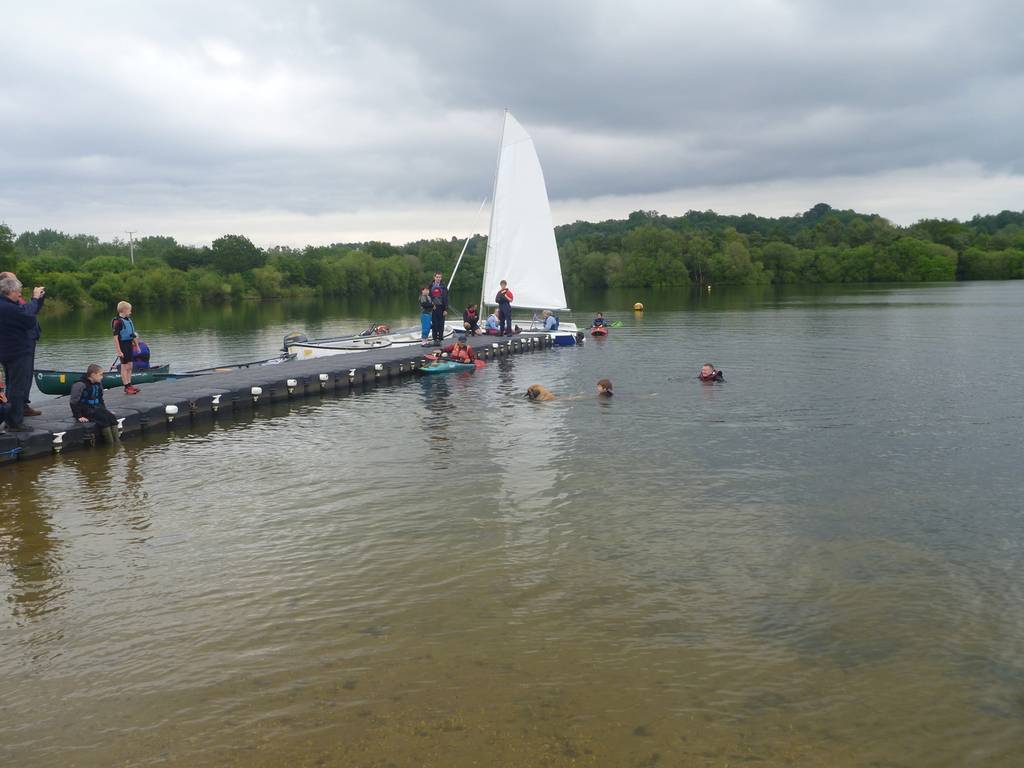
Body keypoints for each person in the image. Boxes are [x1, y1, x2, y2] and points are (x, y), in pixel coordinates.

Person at [0, 274, 45, 432]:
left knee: (11, 386)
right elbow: (29, 319)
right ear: (10, 291)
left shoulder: (4, 305)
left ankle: (11, 418)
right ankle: (15, 422)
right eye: (18, 291)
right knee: (17, 387)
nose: (19, 294)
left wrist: (37, 301)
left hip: (6, 352)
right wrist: (35, 299)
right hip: (18, 352)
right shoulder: (10, 308)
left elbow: (27, 313)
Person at [70, 364, 119, 436]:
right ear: (93, 375)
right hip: (85, 410)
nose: (102, 377)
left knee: (112, 418)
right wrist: (79, 416)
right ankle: (110, 442)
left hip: (96, 408)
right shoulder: (80, 384)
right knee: (103, 419)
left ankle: (116, 442)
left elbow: (100, 399)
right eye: (100, 375)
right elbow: (73, 402)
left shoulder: (98, 384)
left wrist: (105, 410)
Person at [112, 301, 142, 394]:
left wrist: (137, 346)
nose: (130, 312)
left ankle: (130, 384)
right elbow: (115, 338)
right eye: (129, 310)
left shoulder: (128, 320)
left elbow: (132, 335)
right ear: (124, 310)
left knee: (130, 366)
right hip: (122, 345)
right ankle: (126, 386)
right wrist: (119, 351)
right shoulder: (118, 322)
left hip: (129, 344)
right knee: (124, 366)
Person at [426, 272, 448, 347]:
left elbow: (446, 299)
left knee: (441, 324)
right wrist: (431, 305)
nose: (438, 279)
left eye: (439, 277)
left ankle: (440, 339)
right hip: (434, 307)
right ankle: (435, 339)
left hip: (442, 307)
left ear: (441, 278)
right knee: (435, 324)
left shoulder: (444, 287)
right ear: (434, 277)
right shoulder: (430, 286)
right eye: (437, 277)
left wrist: (446, 309)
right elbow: (427, 297)